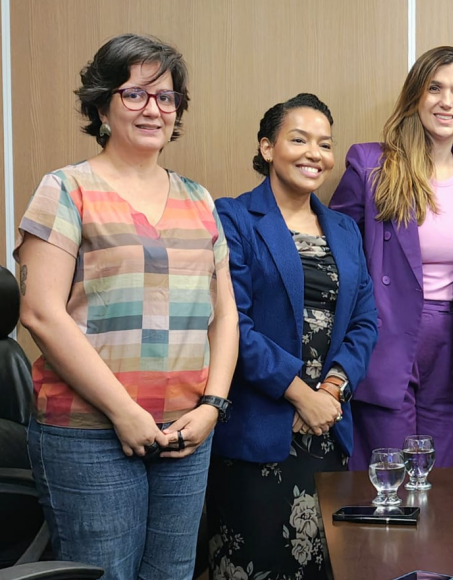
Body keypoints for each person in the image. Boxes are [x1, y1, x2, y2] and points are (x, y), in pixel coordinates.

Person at [14, 34, 238, 579]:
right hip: (89, 432)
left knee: (173, 573)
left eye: (166, 97)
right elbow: (40, 312)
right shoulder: (66, 190)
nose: (153, 109)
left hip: (185, 431)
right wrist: (124, 412)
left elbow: (225, 315)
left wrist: (213, 406)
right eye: (134, 94)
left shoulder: (199, 198)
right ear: (102, 106)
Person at [206, 93, 378, 579]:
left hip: (326, 428)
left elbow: (366, 321)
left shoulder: (344, 228)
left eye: (325, 144)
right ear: (267, 147)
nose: (314, 154)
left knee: (324, 566)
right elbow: (232, 324)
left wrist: (331, 391)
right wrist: (302, 395)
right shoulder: (234, 217)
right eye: (299, 140)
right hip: (259, 427)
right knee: (253, 564)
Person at [330, 46, 453, 470]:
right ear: (415, 95)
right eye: (435, 88)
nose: (447, 101)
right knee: (387, 476)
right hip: (386, 337)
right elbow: (338, 257)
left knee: (439, 477)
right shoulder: (370, 164)